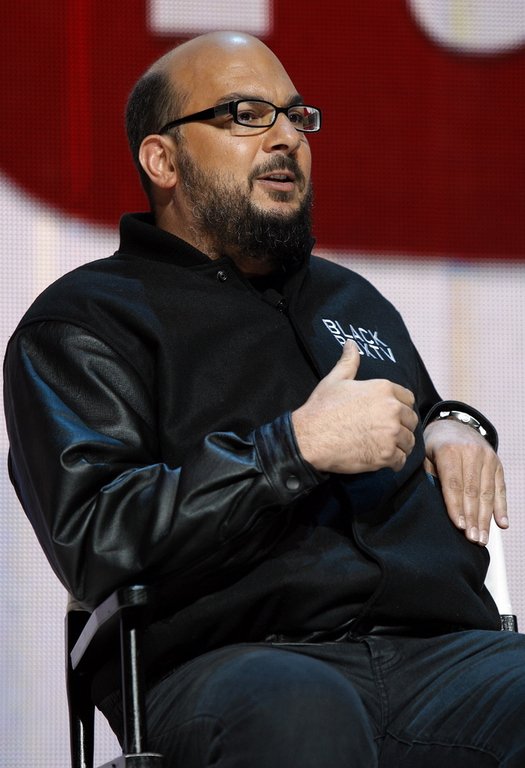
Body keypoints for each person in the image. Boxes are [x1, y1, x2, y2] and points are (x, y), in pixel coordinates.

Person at [3, 30, 525, 768]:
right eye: (245, 115)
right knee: (302, 715)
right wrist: (291, 449)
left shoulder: (351, 298)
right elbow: (97, 538)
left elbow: (416, 416)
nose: (287, 138)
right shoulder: (86, 321)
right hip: (234, 664)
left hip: (440, 659)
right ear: (162, 160)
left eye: (296, 116)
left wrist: (454, 423)